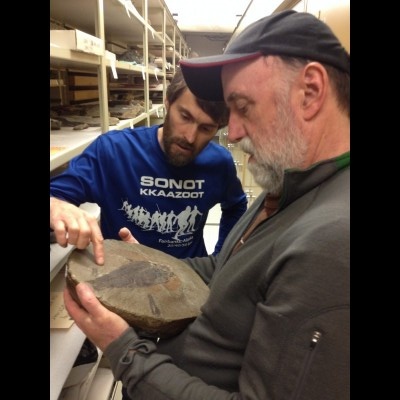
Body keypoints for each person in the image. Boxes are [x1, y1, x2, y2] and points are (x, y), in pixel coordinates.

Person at [64, 9, 350, 400]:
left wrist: (126, 352)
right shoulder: (287, 184)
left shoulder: (334, 240)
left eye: (243, 106)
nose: (230, 133)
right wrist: (152, 266)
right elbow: (232, 265)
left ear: (311, 91)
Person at [50, 68, 248, 264]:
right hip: (121, 275)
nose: (190, 137)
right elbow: (55, 197)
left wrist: (221, 258)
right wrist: (56, 206)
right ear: (168, 103)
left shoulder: (219, 162)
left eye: (206, 128)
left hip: (189, 277)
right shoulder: (113, 151)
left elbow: (236, 205)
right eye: (185, 117)